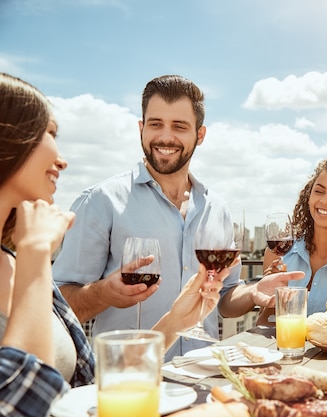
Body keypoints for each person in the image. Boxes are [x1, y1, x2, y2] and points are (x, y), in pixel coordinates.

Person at [0, 72, 226, 417]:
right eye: (49, 134)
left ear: (199, 135)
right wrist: (38, 254)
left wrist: (173, 323)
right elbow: (25, 398)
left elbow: (87, 383)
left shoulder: (12, 262)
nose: (62, 159)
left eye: (179, 126)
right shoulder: (38, 249)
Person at [51, 74, 245, 360]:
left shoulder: (218, 208)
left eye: (179, 126)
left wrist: (254, 294)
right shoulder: (100, 201)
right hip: (130, 383)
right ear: (141, 128)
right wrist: (104, 293)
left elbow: (226, 300)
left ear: (200, 135)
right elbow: (57, 310)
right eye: (156, 124)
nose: (166, 137)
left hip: (205, 380)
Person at [219, 156, 327, 323]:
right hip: (275, 350)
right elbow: (264, 322)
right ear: (309, 197)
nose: (325, 200)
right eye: (319, 191)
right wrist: (265, 294)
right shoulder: (278, 252)